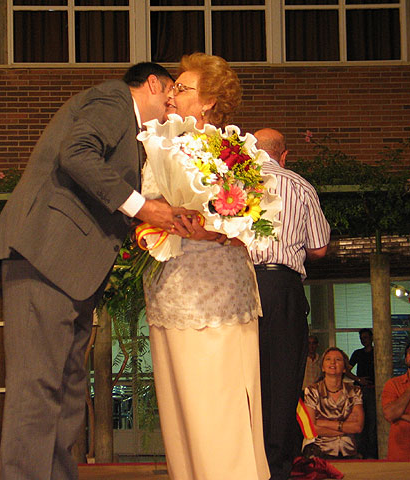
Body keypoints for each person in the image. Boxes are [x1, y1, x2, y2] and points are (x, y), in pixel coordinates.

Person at [0, 62, 191, 480]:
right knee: (38, 386)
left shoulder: (134, 132)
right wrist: (142, 207)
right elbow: (77, 153)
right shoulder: (114, 99)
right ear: (152, 83)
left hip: (69, 268)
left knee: (68, 389)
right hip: (44, 254)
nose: (173, 103)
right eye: (171, 91)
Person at [143, 52, 270, 480]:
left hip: (217, 296)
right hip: (170, 290)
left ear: (209, 101)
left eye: (181, 88)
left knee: (218, 407)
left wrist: (216, 229)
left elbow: (252, 220)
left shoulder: (231, 152)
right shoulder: (160, 144)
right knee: (180, 413)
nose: (171, 95)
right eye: (172, 88)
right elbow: (144, 213)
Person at [251, 127, 331, 480]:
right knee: (283, 380)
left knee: (242, 376)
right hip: (283, 286)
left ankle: (242, 464)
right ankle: (276, 469)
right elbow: (319, 248)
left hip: (240, 283)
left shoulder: (231, 182)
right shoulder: (300, 185)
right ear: (284, 155)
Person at [303, 347, 364, 459]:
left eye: (338, 359)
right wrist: (344, 428)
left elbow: (358, 427)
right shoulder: (312, 391)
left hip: (349, 452)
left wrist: (323, 423)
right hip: (320, 453)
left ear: (344, 368)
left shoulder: (354, 391)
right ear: (322, 367)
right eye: (328, 359)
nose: (333, 362)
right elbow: (311, 427)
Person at [348, 328, 377, 458]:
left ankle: (372, 451)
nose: (363, 340)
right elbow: (346, 370)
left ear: (371, 338)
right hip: (361, 390)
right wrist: (359, 379)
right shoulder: (358, 353)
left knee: (372, 421)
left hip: (374, 389)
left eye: (365, 338)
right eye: (361, 338)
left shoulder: (377, 352)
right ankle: (360, 450)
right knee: (359, 420)